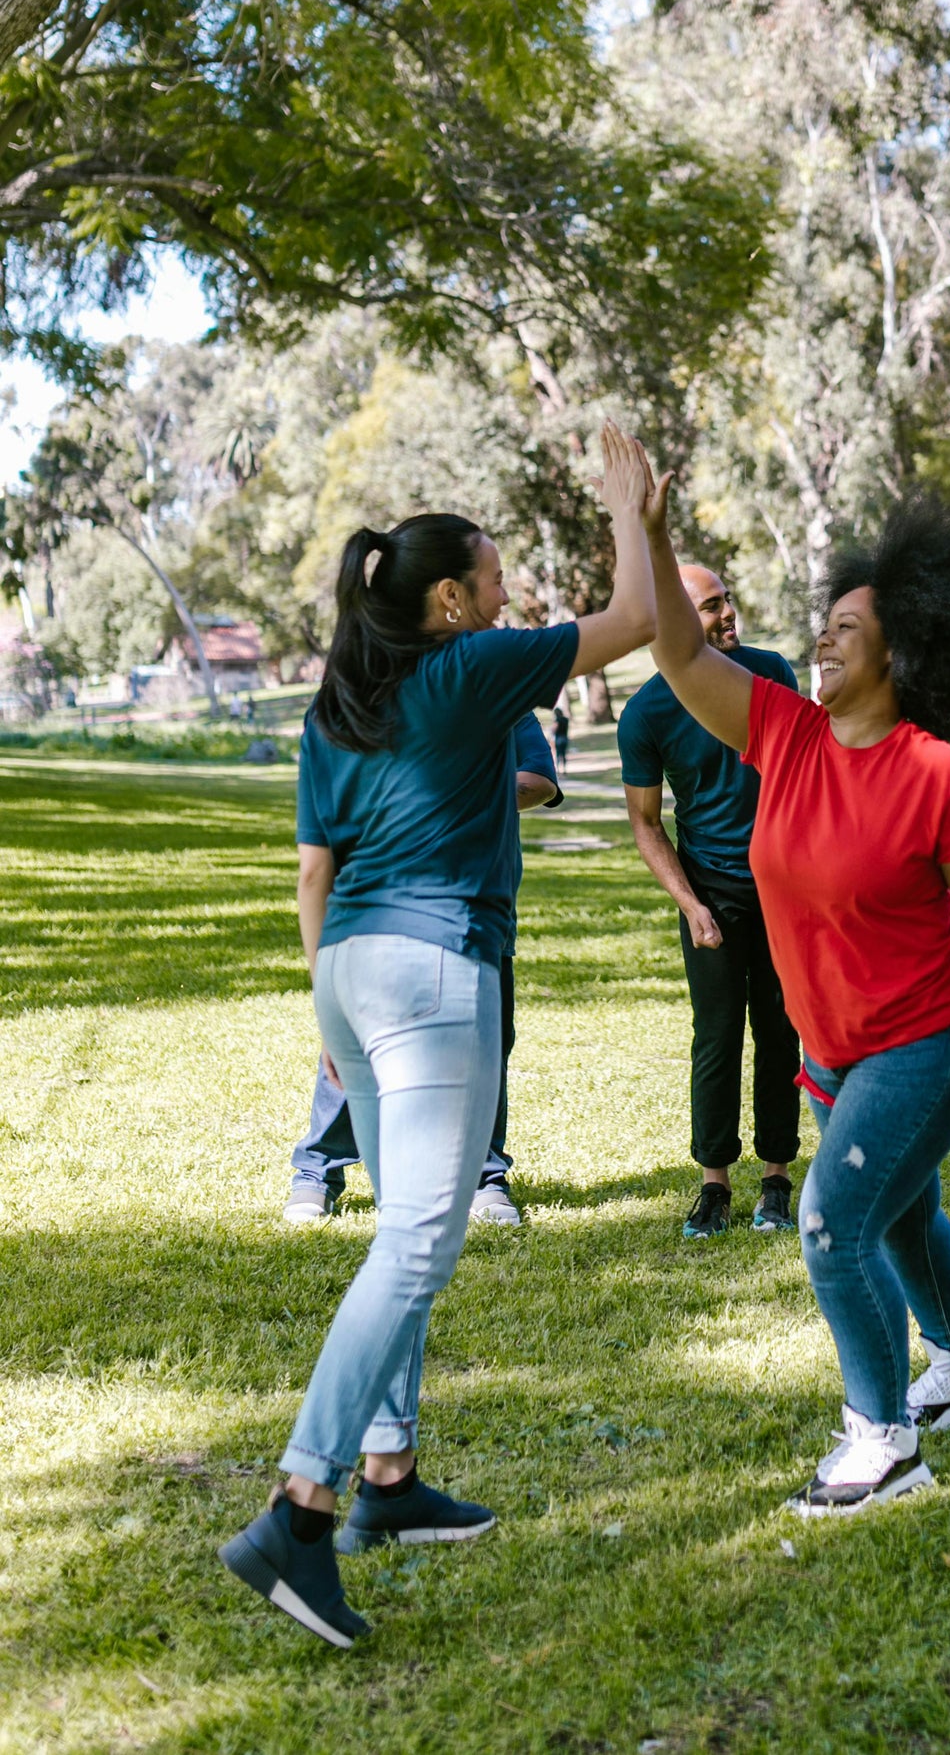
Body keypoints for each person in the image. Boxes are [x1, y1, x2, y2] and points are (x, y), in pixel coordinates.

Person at [218, 423, 656, 1645]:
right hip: (432, 967)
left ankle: (390, 1481)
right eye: (500, 574)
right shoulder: (466, 671)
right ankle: (299, 1509)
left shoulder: (337, 708)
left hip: (351, 967)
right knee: (417, 1239)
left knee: (406, 1221)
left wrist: (322, 1002)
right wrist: (631, 510)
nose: (510, 591)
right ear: (453, 597)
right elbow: (630, 622)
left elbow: (315, 870)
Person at [642, 473, 950, 1516]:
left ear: (898, 651)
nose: (821, 643)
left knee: (832, 1222)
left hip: (930, 1037)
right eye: (821, 626)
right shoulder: (786, 732)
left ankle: (884, 1437)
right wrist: (646, 531)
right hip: (835, 1046)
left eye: (845, 630)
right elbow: (682, 654)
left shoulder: (938, 776)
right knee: (903, 1214)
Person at [281, 711, 562, 1228]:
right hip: (381, 903)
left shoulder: (499, 690)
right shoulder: (362, 694)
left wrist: (466, 796)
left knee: (482, 1047)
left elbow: (539, 780)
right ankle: (318, 1172)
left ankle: (484, 1178)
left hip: (479, 904)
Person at [619, 565, 803, 1237]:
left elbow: (806, 771)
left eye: (727, 598)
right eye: (710, 605)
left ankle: (777, 1179)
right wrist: (691, 904)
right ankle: (715, 1185)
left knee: (782, 1029)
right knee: (717, 1035)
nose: (729, 613)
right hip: (710, 890)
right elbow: (645, 820)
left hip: (784, 886)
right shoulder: (647, 711)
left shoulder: (771, 671)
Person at [552, 687, 571, 774]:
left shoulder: (557, 720)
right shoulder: (566, 719)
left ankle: (559, 770)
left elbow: (555, 729)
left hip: (559, 738)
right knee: (564, 755)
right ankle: (564, 769)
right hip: (565, 737)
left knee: (558, 754)